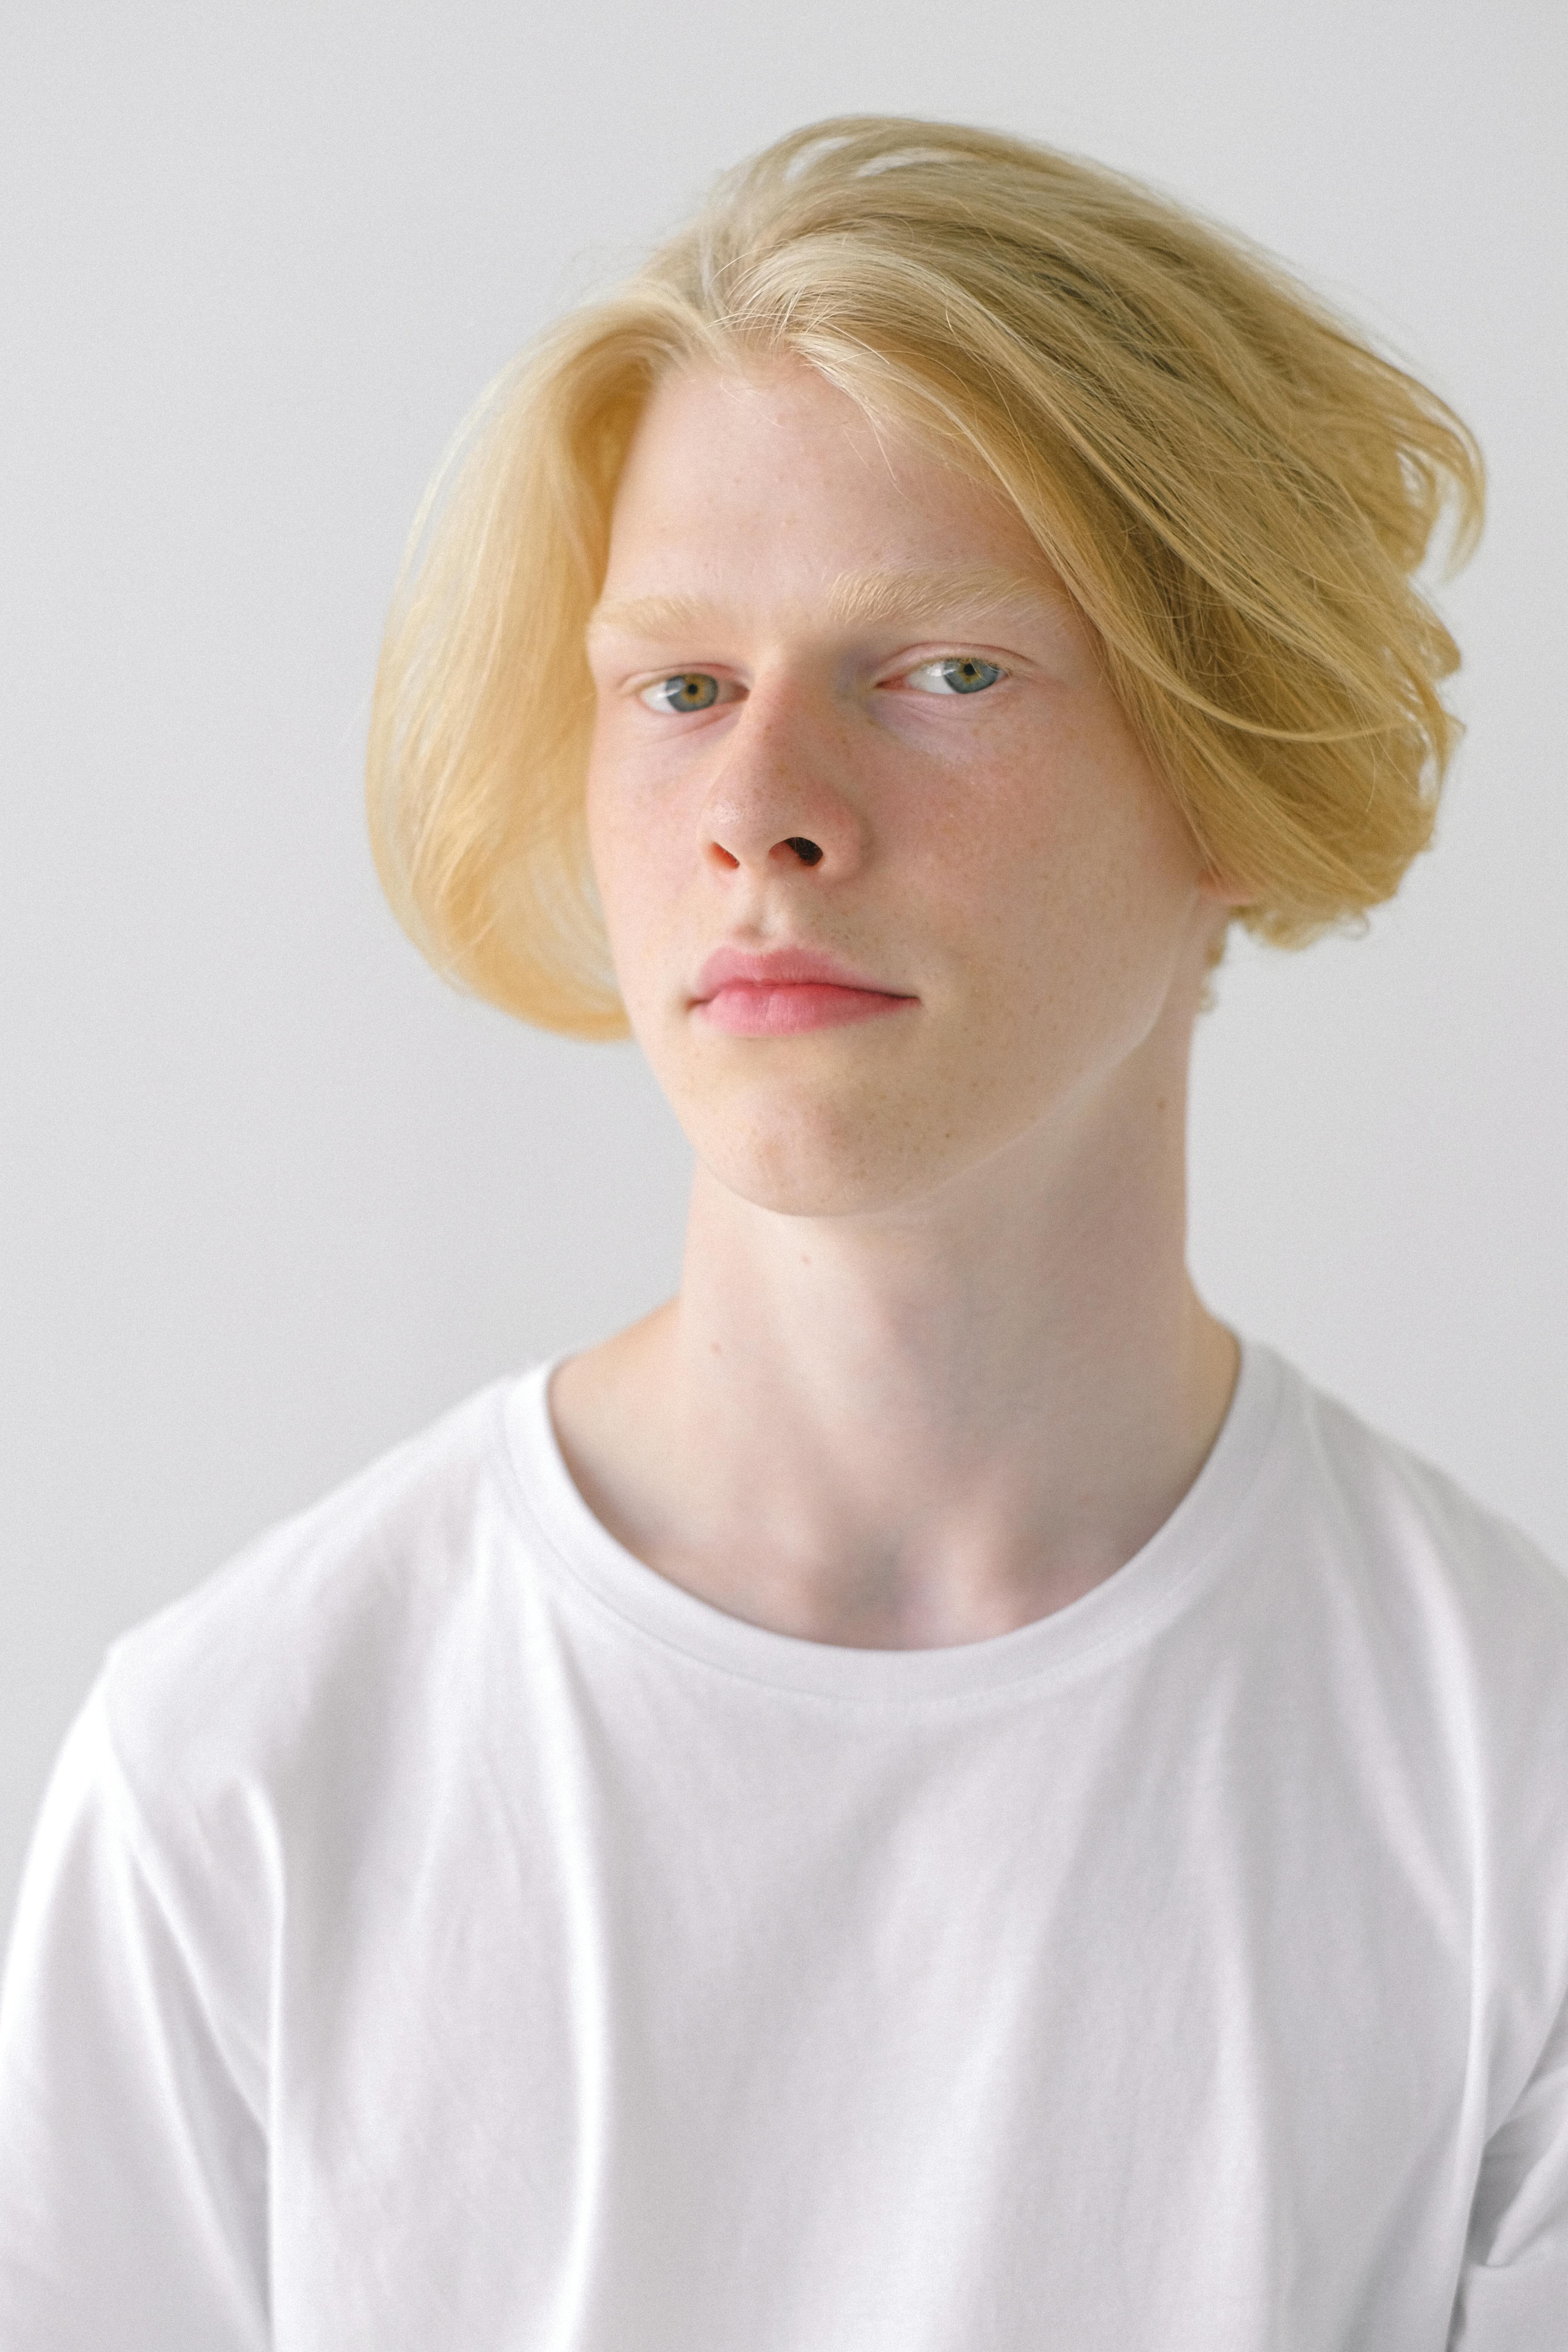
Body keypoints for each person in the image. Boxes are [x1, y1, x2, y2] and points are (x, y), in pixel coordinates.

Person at [1, 113, 1563, 2351]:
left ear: (1236, 754)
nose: (763, 820)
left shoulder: (1508, 1785)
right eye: (683, 690)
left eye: (940, 672)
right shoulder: (241, 1778)